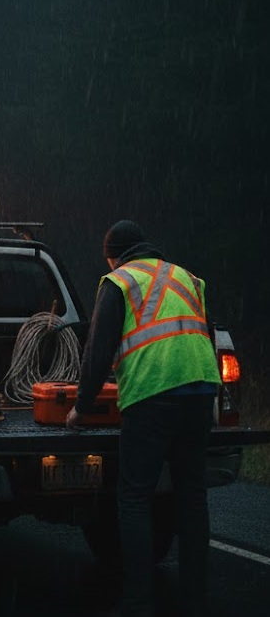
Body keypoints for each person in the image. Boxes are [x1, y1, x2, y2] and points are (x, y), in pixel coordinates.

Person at [66, 220, 221, 617]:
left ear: (112, 256)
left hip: (153, 392)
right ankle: (195, 601)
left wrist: (81, 406)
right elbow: (206, 334)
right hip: (201, 389)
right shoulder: (187, 278)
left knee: (135, 498)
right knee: (192, 498)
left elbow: (98, 350)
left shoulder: (119, 281)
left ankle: (138, 603)